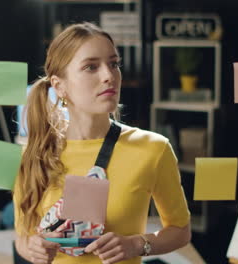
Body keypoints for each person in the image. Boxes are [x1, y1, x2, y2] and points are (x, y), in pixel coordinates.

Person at [13, 22, 191, 264]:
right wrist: (32, 248)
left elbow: (180, 231)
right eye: (91, 67)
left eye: (113, 64)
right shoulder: (32, 155)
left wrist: (137, 244)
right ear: (59, 85)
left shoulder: (153, 149)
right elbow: (22, 237)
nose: (109, 76)